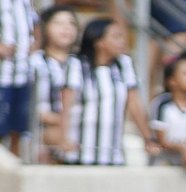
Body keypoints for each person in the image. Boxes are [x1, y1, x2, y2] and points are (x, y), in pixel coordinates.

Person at [60, 18, 159, 165]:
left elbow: (134, 104)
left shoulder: (124, 64)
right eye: (116, 37)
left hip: (114, 153)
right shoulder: (76, 64)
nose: (122, 42)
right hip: (79, 151)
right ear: (98, 42)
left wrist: (148, 138)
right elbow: (66, 104)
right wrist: (63, 138)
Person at [29, 5, 80, 163]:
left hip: (78, 130)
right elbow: (33, 108)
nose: (66, 28)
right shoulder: (35, 62)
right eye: (58, 23)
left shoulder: (81, 63)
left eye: (71, 23)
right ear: (45, 28)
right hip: (45, 131)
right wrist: (62, 121)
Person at [149, 56, 186, 168]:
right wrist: (183, 149)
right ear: (172, 81)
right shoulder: (161, 104)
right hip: (165, 162)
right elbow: (162, 139)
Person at [0, 0, 36, 157]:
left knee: (18, 128)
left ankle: (13, 170)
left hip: (23, 74)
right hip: (3, 74)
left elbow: (36, 23)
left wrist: (36, 43)